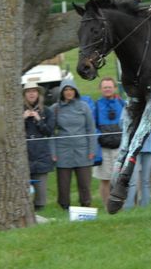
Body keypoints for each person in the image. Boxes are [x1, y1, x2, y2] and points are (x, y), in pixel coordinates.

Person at [50, 79, 96, 210]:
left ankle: (86, 205)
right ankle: (64, 207)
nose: (68, 92)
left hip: (83, 150)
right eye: (65, 90)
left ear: (75, 91)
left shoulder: (84, 106)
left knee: (84, 183)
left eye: (71, 89)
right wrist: (53, 153)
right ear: (61, 92)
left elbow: (91, 129)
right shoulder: (55, 109)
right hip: (62, 150)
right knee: (63, 184)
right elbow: (51, 133)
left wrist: (92, 149)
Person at [92, 77, 125, 205]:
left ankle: (120, 205)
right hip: (103, 148)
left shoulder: (122, 103)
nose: (107, 89)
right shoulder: (96, 105)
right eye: (105, 87)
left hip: (119, 147)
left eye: (110, 87)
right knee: (104, 179)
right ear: (101, 89)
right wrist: (99, 137)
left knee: (119, 179)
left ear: (115, 88)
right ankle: (107, 206)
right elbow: (93, 125)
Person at [22, 81, 55, 211]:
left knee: (40, 194)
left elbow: (50, 131)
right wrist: (22, 119)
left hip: (41, 154)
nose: (31, 94)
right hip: (25, 155)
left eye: (34, 91)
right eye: (29, 91)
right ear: (25, 94)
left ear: (38, 94)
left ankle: (40, 214)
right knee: (24, 191)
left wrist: (39, 120)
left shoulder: (46, 111)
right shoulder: (17, 111)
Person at [124, 125, 151, 209]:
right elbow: (123, 123)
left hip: (150, 147)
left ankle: (145, 207)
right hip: (134, 148)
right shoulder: (130, 111)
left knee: (146, 180)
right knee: (133, 180)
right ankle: (128, 207)